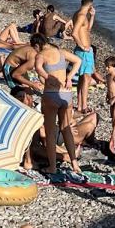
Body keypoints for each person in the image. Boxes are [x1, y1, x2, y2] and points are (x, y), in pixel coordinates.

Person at [36, 37, 85, 176]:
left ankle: (52, 167)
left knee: (50, 133)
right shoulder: (61, 52)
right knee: (66, 128)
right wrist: (69, 77)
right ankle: (75, 164)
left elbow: (38, 68)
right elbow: (78, 61)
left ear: (37, 46)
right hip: (66, 95)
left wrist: (47, 77)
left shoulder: (40, 55)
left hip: (51, 94)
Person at [70, 0, 97, 113]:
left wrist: (92, 16)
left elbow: (87, 30)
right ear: (90, 4)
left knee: (82, 79)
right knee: (86, 78)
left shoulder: (78, 14)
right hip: (84, 52)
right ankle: (84, 106)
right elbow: (74, 33)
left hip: (82, 51)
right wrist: (83, 47)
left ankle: (80, 106)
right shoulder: (81, 16)